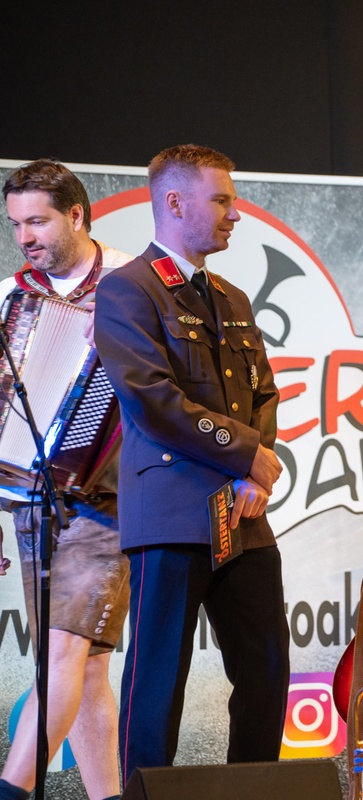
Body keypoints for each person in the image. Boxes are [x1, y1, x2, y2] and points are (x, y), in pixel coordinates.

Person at [92, 144, 289, 783]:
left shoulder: (232, 297)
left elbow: (263, 393)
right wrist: (247, 456)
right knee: (156, 688)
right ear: (175, 202)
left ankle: (252, 794)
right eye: (222, 200)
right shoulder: (128, 289)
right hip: (173, 515)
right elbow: (153, 400)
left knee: (266, 670)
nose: (235, 213)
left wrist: (252, 472)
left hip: (244, 518)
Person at [0, 159, 130, 800]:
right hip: (30, 497)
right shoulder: (10, 295)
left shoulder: (132, 283)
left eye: (38, 221)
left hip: (110, 496)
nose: (25, 237)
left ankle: (11, 789)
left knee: (62, 654)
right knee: (85, 664)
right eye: (15, 224)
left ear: (77, 215)